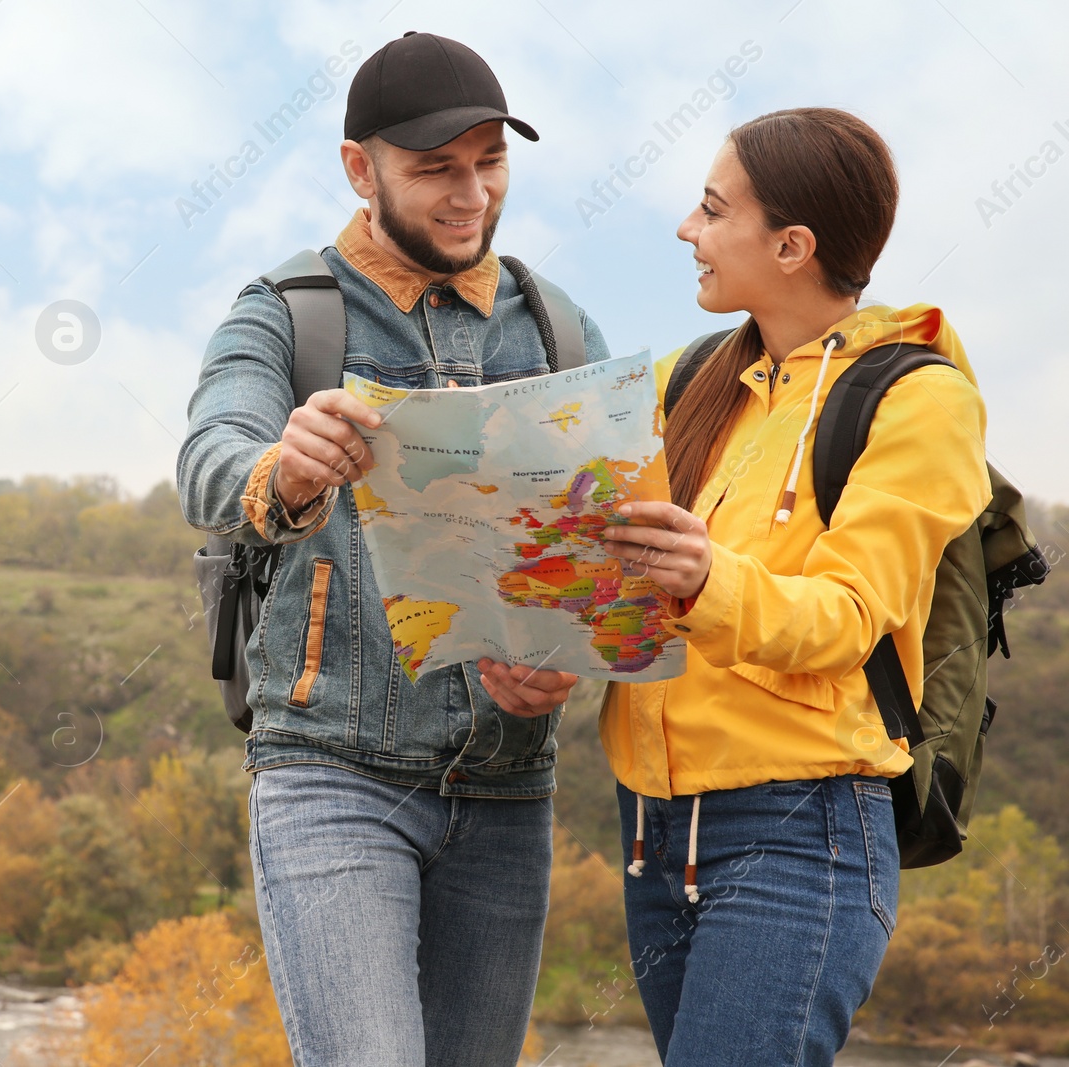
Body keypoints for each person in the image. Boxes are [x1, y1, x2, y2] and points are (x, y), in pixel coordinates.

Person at [177, 31, 610, 1067]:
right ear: (358, 168)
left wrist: (562, 661)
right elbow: (207, 461)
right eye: (434, 171)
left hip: (510, 793)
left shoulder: (559, 329)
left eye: (489, 164)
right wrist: (283, 465)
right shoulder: (285, 312)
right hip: (332, 777)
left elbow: (595, 554)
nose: (470, 194)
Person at [596, 107, 990, 1065]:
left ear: (790, 245)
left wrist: (705, 578)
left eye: (710, 209)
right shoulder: (682, 382)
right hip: (650, 836)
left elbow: (850, 618)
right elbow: (600, 574)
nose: (687, 229)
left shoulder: (918, 399)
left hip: (800, 831)